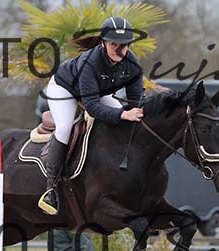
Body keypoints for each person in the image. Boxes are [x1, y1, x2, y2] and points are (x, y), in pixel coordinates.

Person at [38, 16, 145, 216]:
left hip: (96, 92)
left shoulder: (132, 63)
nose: (119, 50)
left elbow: (136, 101)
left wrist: (137, 112)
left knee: (126, 120)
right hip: (64, 89)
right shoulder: (90, 62)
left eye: (123, 45)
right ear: (103, 43)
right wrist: (123, 114)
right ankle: (51, 188)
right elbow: (92, 107)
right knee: (65, 127)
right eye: (114, 45)